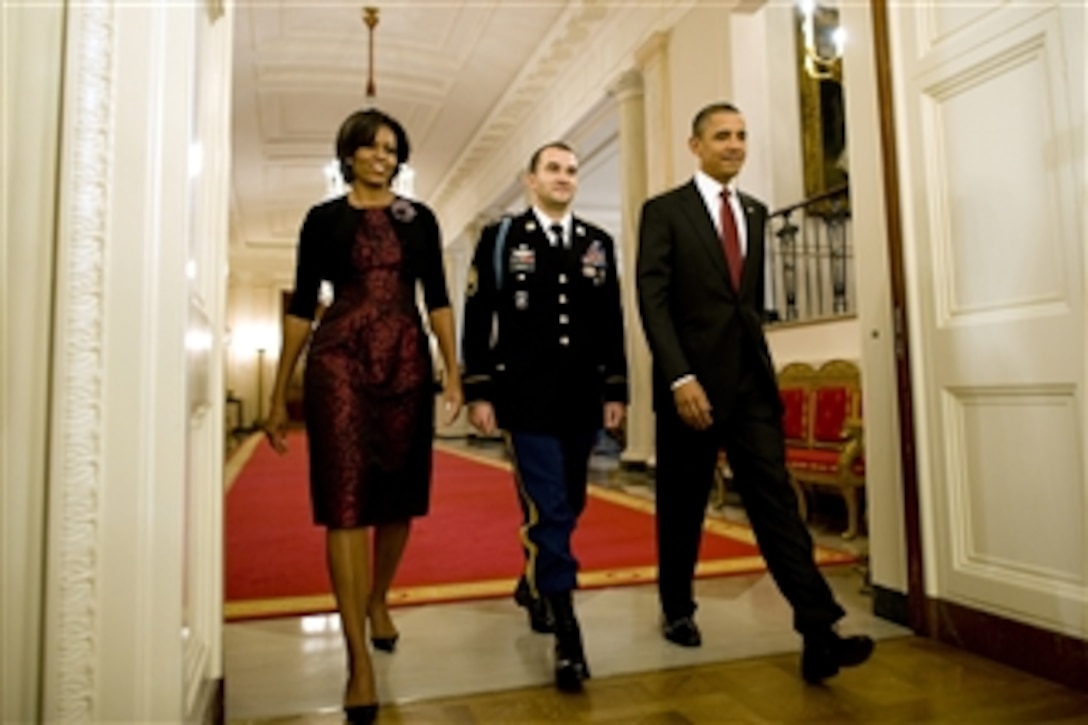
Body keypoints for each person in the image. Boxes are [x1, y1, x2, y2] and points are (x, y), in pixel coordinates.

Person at [635, 102, 874, 684]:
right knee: (684, 505)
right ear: (696, 145)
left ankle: (819, 630)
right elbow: (653, 302)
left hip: (749, 387)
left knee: (775, 505)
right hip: (691, 386)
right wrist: (679, 377)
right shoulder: (664, 212)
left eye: (741, 136)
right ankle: (677, 608)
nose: (735, 145)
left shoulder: (758, 212)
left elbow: (743, 305)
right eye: (722, 136)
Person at [263, 108, 463, 724]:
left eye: (392, 149)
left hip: (405, 362)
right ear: (347, 153)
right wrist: (278, 393)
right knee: (346, 503)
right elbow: (302, 304)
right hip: (339, 364)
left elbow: (438, 297)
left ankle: (379, 597)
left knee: (398, 497)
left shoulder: (419, 220)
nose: (383, 157)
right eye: (371, 147)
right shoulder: (323, 221)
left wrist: (453, 370)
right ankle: (358, 660)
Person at [461, 141, 628, 692]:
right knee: (550, 507)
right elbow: (478, 315)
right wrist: (479, 389)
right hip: (525, 398)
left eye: (571, 170)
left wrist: (616, 388)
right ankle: (567, 634)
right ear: (530, 179)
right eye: (553, 169)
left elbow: (611, 322)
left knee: (570, 501)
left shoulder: (597, 244)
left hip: (582, 398)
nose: (564, 177)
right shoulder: (502, 239)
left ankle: (532, 584)